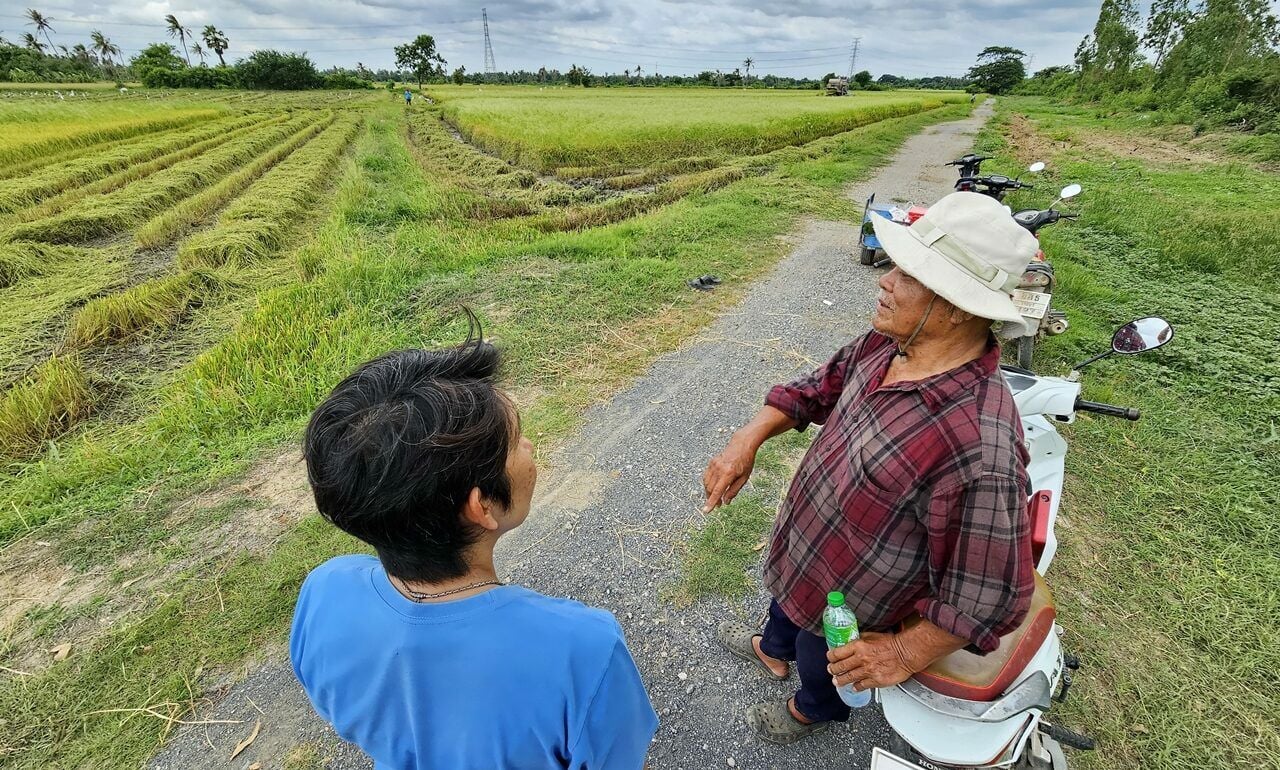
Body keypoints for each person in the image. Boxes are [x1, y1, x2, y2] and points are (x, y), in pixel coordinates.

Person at [703, 192, 1037, 744]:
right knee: (786, 605)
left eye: (907, 274)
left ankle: (812, 709)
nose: (884, 280)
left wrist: (903, 651)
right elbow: (818, 388)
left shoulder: (979, 445)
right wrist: (751, 435)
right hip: (805, 553)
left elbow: (991, 595)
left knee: (824, 660)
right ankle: (772, 646)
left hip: (854, 605)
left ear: (955, 305)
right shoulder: (890, 345)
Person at [291, 322, 657, 769]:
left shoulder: (323, 592)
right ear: (481, 505)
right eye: (515, 440)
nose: (529, 446)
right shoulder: (584, 652)